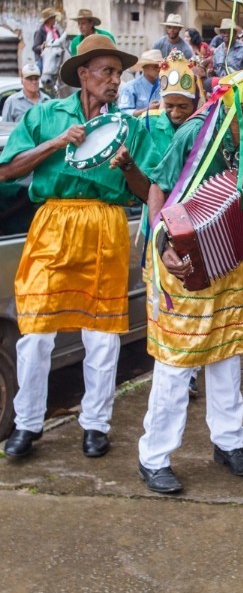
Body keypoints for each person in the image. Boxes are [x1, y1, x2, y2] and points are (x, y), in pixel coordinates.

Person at [0, 34, 157, 460]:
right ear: (83, 75)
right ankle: (27, 423)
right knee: (35, 333)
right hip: (53, 224)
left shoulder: (128, 127)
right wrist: (56, 142)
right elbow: (7, 170)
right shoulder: (46, 115)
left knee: (102, 337)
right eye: (107, 72)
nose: (115, 81)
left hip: (105, 226)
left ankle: (96, 424)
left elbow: (146, 191)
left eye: (119, 73)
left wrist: (128, 165)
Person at [138, 67, 243, 494]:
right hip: (183, 262)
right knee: (176, 361)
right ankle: (154, 456)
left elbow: (242, 185)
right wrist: (162, 244)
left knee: (227, 355)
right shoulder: (195, 133)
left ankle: (229, 442)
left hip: (226, 260)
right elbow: (159, 188)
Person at [118, 49, 163, 114]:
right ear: (144, 67)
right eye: (155, 66)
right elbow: (124, 112)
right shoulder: (130, 87)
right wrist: (147, 110)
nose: (158, 69)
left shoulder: (165, 85)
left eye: (160, 66)